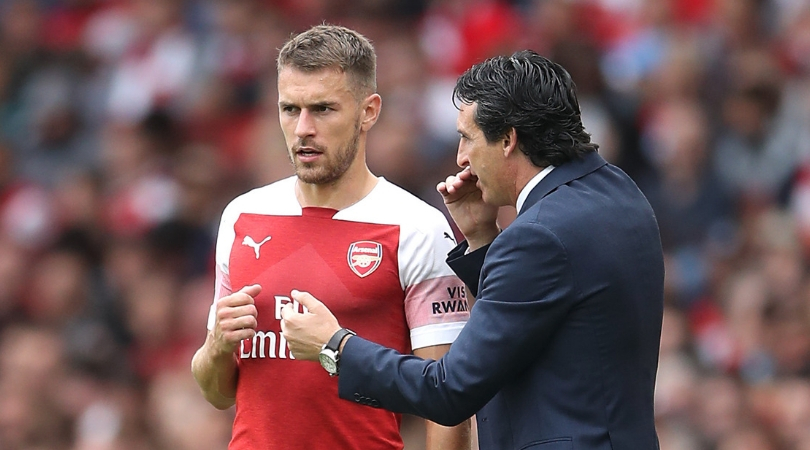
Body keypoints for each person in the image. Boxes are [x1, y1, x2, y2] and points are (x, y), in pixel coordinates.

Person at [280, 50, 665, 450]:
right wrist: (483, 238)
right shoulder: (621, 192)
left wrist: (336, 346)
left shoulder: (538, 236)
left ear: (508, 140)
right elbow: (539, 311)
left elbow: (449, 391)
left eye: (467, 137)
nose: (461, 157)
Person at [190, 25, 472, 450]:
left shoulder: (417, 227)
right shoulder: (242, 216)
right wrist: (216, 347)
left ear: (368, 112)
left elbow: (449, 403)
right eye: (290, 109)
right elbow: (218, 393)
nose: (303, 128)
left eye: (323, 109)